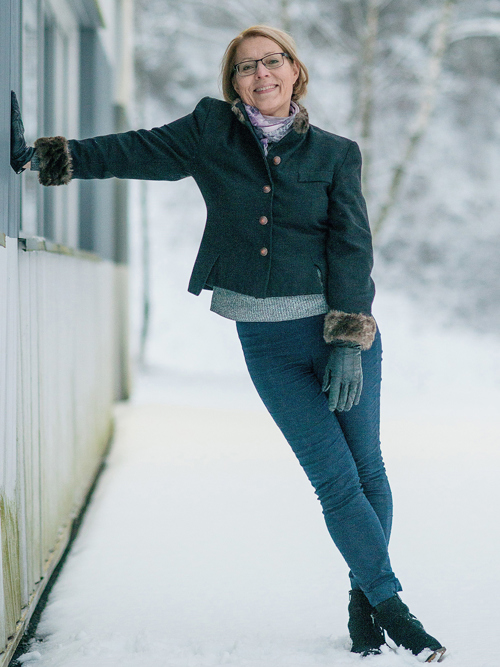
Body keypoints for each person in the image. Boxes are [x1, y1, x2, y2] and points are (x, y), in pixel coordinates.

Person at [11, 25, 446, 663]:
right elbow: (136, 150)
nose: (260, 74)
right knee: (333, 476)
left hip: (337, 333)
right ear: (233, 83)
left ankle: (364, 601)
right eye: (246, 68)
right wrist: (47, 155)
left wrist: (350, 337)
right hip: (268, 345)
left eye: (272, 62)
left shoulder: (335, 153)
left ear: (295, 70)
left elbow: (352, 244)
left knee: (367, 470)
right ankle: (392, 605)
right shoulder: (212, 134)